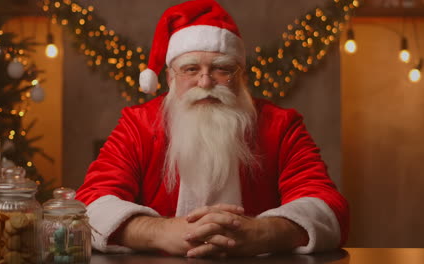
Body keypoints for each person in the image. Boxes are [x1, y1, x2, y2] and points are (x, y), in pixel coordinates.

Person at [76, 0, 349, 258]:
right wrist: (162, 232)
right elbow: (92, 202)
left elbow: (327, 206)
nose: (205, 82)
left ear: (240, 76)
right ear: (170, 77)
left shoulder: (279, 126)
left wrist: (261, 232)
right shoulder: (138, 125)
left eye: (221, 69)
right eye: (191, 69)